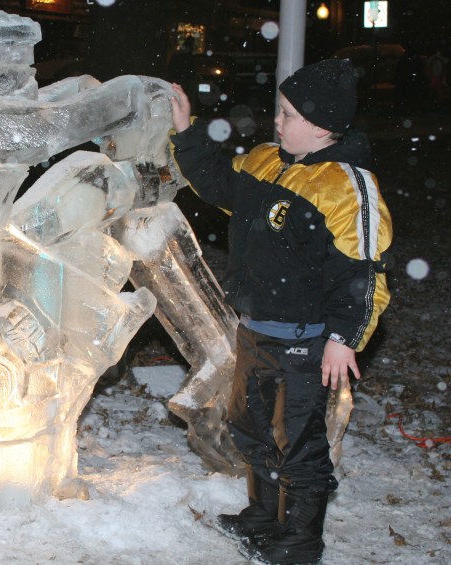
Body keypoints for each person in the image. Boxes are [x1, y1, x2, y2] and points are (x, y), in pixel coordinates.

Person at [168, 58, 393, 564]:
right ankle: (263, 516)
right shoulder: (268, 162)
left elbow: (365, 272)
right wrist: (186, 130)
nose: (277, 120)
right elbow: (219, 183)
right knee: (249, 427)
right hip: (255, 329)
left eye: (288, 114)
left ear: (320, 126)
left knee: (299, 442)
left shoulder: (345, 187)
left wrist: (344, 337)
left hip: (306, 339)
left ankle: (299, 541)